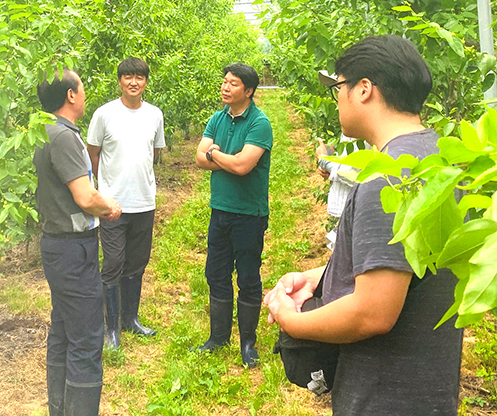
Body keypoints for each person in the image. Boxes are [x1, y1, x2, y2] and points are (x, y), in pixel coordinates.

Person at [264, 35, 463, 415]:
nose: (336, 97)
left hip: (384, 396)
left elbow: (373, 311)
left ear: (364, 89)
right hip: (427, 389)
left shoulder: (387, 179)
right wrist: (323, 275)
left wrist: (293, 321)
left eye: (339, 86)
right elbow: (413, 262)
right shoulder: (437, 157)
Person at [35, 68, 122, 415]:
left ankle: (60, 408)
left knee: (63, 330)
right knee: (86, 337)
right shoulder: (65, 137)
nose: (85, 94)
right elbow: (85, 197)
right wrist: (109, 207)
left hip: (58, 246)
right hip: (73, 249)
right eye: (82, 88)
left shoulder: (42, 131)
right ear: (71, 95)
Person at [195, 63, 273, 368]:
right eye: (224, 82)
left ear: (249, 91)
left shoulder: (259, 123)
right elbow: (199, 159)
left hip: (249, 213)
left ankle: (248, 343)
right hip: (221, 209)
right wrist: (224, 158)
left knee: (248, 276)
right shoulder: (217, 118)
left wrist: (215, 154)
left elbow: (243, 166)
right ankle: (218, 337)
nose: (225, 87)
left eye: (233, 84)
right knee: (216, 273)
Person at [87, 57, 165, 349]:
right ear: (119, 80)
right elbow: (93, 153)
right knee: (114, 263)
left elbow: (155, 153)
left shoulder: (155, 115)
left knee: (137, 263)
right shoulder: (105, 114)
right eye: (128, 77)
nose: (134, 82)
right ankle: (111, 329)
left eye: (139, 77)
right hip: (113, 205)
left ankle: (130, 320)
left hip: (144, 202)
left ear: (146, 81)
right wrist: (100, 191)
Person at [314, 129, 368, 251]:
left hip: (357, 211)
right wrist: (332, 163)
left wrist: (324, 160)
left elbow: (356, 174)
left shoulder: (367, 130)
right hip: (348, 210)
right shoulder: (351, 128)